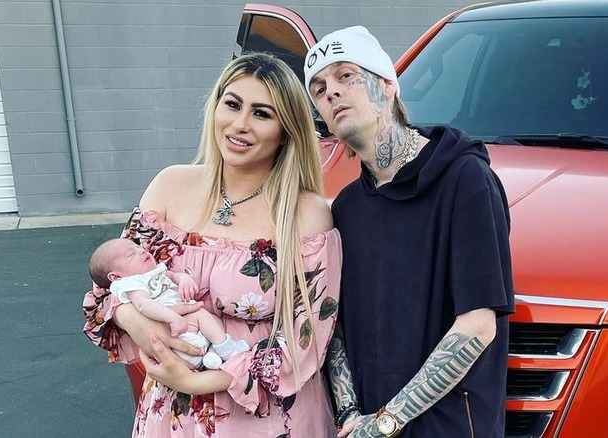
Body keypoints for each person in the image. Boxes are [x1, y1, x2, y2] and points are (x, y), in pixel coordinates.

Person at [82, 52, 342, 437]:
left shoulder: (305, 213)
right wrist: (136, 322)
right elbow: (109, 286)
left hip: (267, 419)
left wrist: (196, 383)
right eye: (232, 104)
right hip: (172, 417)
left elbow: (308, 342)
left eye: (262, 113)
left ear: (286, 130)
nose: (240, 125)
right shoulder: (169, 185)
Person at [304, 26, 515, 437]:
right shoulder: (346, 208)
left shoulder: (465, 180)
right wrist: (350, 415)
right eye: (318, 88)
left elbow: (477, 325)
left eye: (346, 75)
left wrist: (386, 422)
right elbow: (337, 325)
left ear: (387, 84)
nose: (330, 92)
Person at [88, 238, 249, 370]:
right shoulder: (131, 283)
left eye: (138, 246)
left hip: (194, 336)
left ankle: (213, 354)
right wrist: (171, 317)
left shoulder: (155, 271)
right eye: (131, 254)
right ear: (115, 277)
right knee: (201, 314)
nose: (142, 250)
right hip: (176, 333)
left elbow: (174, 276)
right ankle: (227, 349)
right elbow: (143, 305)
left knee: (213, 319)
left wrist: (184, 279)